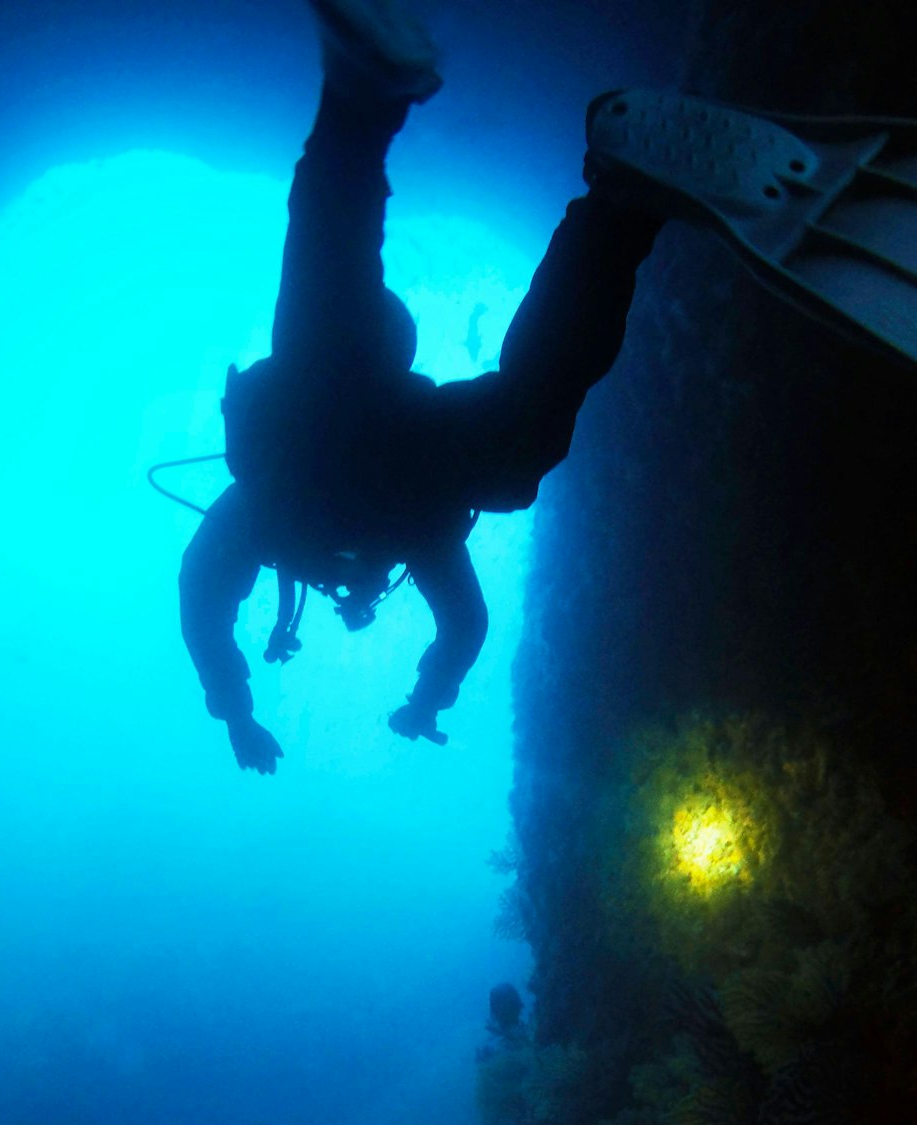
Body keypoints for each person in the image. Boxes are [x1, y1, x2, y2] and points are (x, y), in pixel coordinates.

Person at [179, 0, 666, 774]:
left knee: (327, 346)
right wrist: (424, 699)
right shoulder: (382, 532)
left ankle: (363, 107)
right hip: (405, 436)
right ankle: (620, 212)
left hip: (340, 423)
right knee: (513, 450)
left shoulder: (268, 514)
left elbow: (203, 600)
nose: (356, 590)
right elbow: (462, 625)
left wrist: (241, 714)